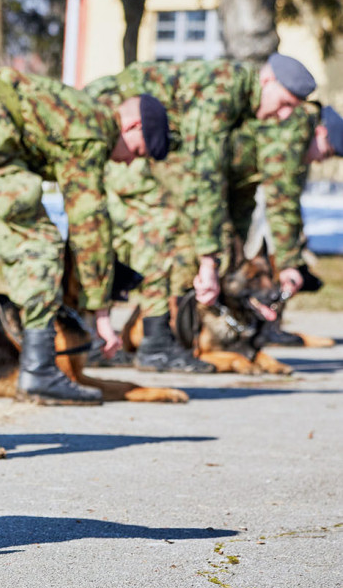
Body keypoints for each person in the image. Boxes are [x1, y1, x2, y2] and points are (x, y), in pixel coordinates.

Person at [0, 69, 170, 404]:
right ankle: (39, 372)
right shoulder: (95, 129)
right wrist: (100, 312)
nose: (129, 163)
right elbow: (89, 225)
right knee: (40, 242)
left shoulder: (74, 109)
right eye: (138, 152)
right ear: (132, 127)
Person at [89, 54, 314, 372]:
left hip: (150, 138)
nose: (285, 114)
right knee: (160, 225)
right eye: (285, 102)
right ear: (267, 81)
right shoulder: (223, 92)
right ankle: (143, 342)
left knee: (172, 231)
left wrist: (286, 260)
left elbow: (226, 191)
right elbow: (204, 175)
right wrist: (209, 259)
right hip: (123, 126)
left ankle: (145, 340)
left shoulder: (239, 99)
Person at [225, 104, 343, 344]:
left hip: (232, 187)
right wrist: (290, 263)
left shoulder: (298, 125)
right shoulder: (296, 132)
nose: (321, 160)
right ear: (320, 132)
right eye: (327, 151)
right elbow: (282, 201)